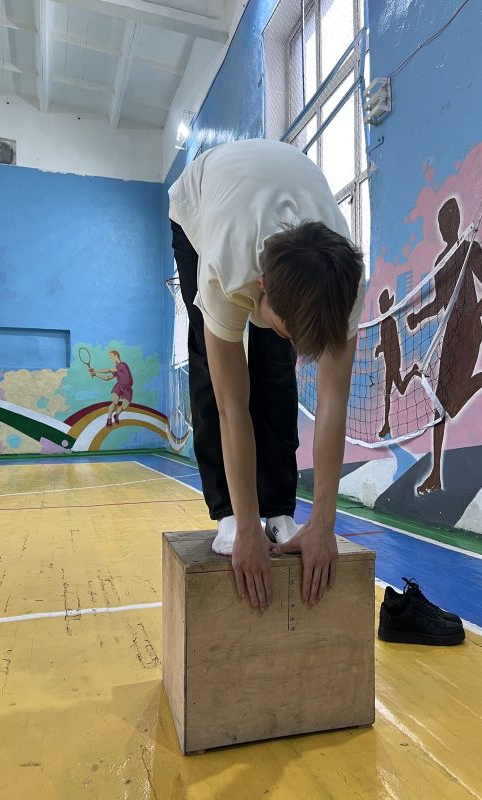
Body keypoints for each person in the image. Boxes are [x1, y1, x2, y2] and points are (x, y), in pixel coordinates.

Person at [169, 138, 365, 612]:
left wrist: (323, 524)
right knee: (212, 366)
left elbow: (334, 402)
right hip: (203, 200)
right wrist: (244, 524)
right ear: (260, 285)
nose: (298, 343)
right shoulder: (225, 269)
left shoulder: (346, 288)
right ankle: (229, 513)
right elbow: (231, 409)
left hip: (279, 186)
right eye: (288, 328)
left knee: (276, 368)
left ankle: (279, 508)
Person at [407, 198, 482, 494]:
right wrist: (418, 316)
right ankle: (436, 474)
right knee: (443, 405)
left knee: (446, 403)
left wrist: (472, 316)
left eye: (449, 219)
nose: (445, 226)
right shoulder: (442, 261)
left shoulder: (469, 250)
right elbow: (440, 302)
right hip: (450, 336)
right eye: (442, 222)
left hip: (469, 332)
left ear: (457, 220)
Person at [374, 288, 420, 438]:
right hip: (389, 362)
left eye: (383, 303)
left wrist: (381, 348)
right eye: (380, 304)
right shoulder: (383, 323)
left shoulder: (390, 322)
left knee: (393, 392)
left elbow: (391, 344)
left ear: (387, 305)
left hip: (393, 361)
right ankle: (386, 425)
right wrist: (381, 348)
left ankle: (386, 425)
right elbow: (386, 343)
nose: (381, 306)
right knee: (395, 391)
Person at [90, 350, 134, 427]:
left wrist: (95, 370)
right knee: (115, 402)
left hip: (128, 389)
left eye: (111, 356)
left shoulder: (122, 365)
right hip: (119, 386)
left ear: (116, 356)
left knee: (125, 406)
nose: (111, 358)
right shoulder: (116, 369)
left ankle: (116, 415)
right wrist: (96, 374)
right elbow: (107, 378)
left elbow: (108, 370)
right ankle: (109, 420)